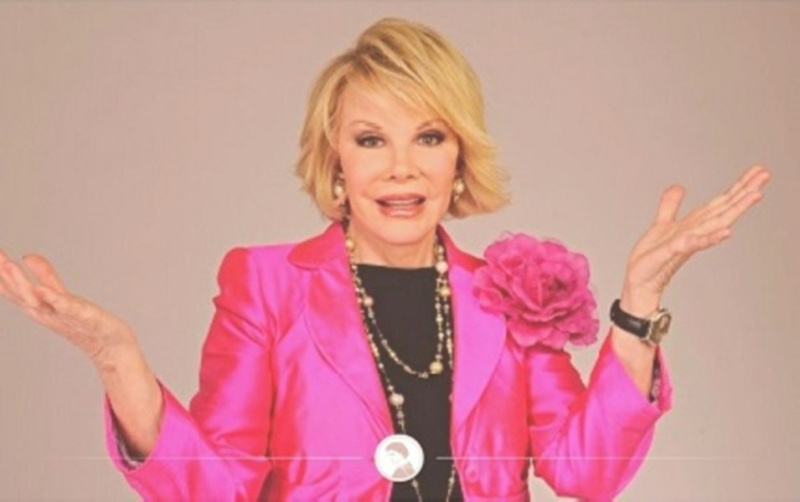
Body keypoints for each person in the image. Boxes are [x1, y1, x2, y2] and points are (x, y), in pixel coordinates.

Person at [0, 17, 770, 502]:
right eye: (371, 140)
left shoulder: (510, 292)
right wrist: (118, 359)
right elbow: (215, 486)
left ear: (459, 157)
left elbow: (586, 470)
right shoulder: (266, 285)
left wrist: (638, 305)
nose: (402, 169)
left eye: (428, 137)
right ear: (335, 158)